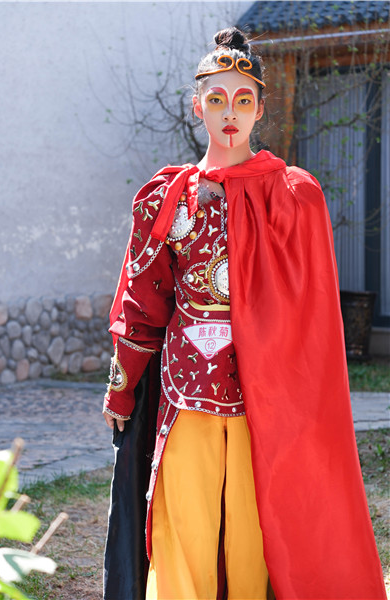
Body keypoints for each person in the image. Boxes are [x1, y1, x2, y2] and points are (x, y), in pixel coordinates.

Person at [102, 28, 386, 600]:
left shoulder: (294, 197)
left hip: (265, 403)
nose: (229, 113)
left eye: (242, 99)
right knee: (183, 541)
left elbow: (310, 314)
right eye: (216, 99)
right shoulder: (167, 198)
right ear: (197, 106)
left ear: (259, 108)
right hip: (185, 395)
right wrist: (122, 386)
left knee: (252, 546)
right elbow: (143, 299)